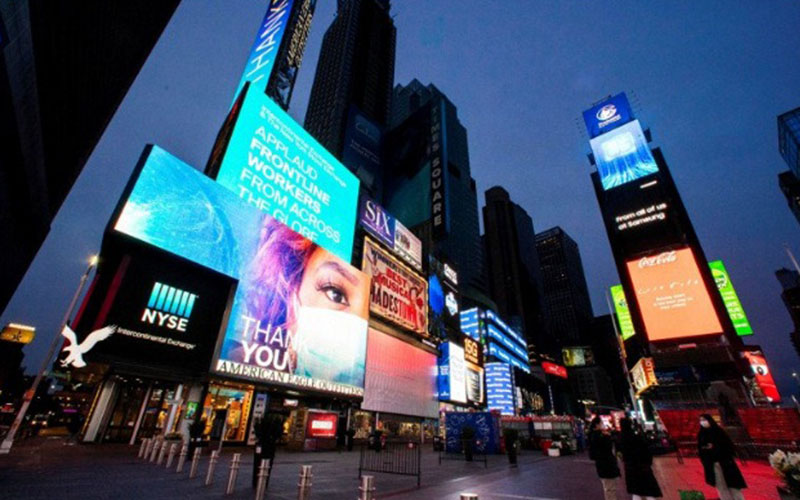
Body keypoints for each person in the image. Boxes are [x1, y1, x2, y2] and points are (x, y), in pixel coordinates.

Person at [697, 414, 747, 500]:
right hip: (713, 464)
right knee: (721, 487)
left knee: (733, 486)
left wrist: (715, 447)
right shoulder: (701, 435)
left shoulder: (718, 431)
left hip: (726, 462)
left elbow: (728, 446)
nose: (702, 422)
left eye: (704, 419)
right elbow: (701, 450)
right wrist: (707, 449)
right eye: (701, 420)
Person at [619, 418, 663, 500]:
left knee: (636, 491)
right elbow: (646, 450)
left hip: (630, 467)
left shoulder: (621, 438)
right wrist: (648, 462)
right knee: (648, 491)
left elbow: (622, 453)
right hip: (642, 466)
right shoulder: (636, 437)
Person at [589, 417, 621, 500]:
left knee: (609, 488)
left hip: (603, 466)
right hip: (607, 466)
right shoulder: (600, 437)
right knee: (610, 489)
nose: (603, 424)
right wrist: (608, 437)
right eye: (601, 423)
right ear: (597, 425)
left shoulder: (595, 436)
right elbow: (608, 448)